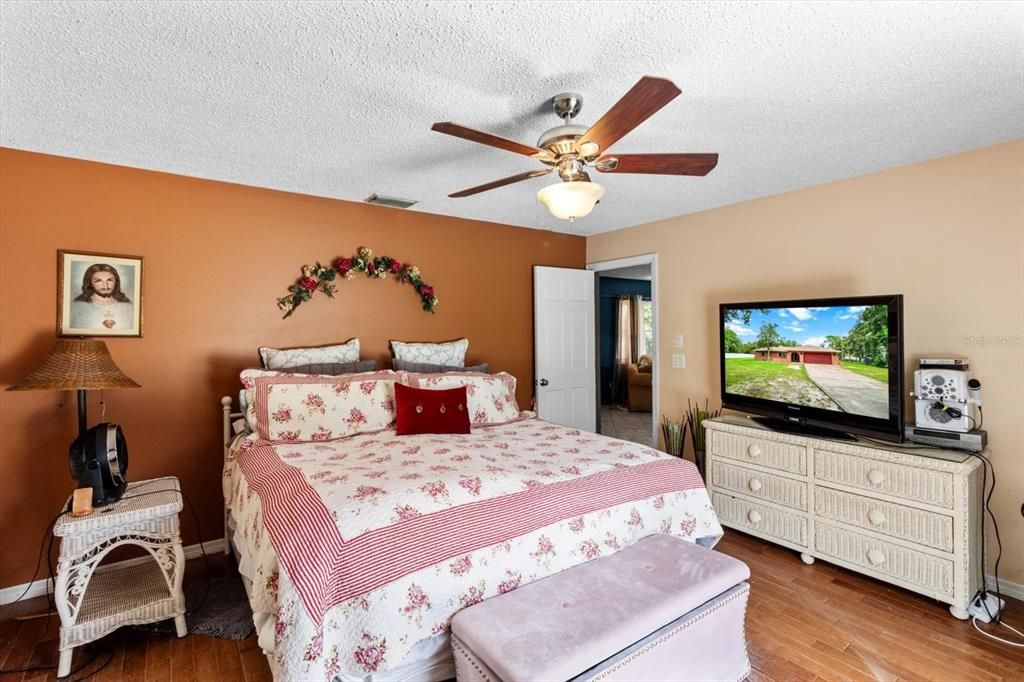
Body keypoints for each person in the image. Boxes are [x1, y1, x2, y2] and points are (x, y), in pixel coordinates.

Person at [69, 263, 135, 331]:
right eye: (98, 281)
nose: (105, 285)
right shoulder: (77, 306)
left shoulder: (128, 306)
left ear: (116, 282)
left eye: (109, 280)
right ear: (89, 283)